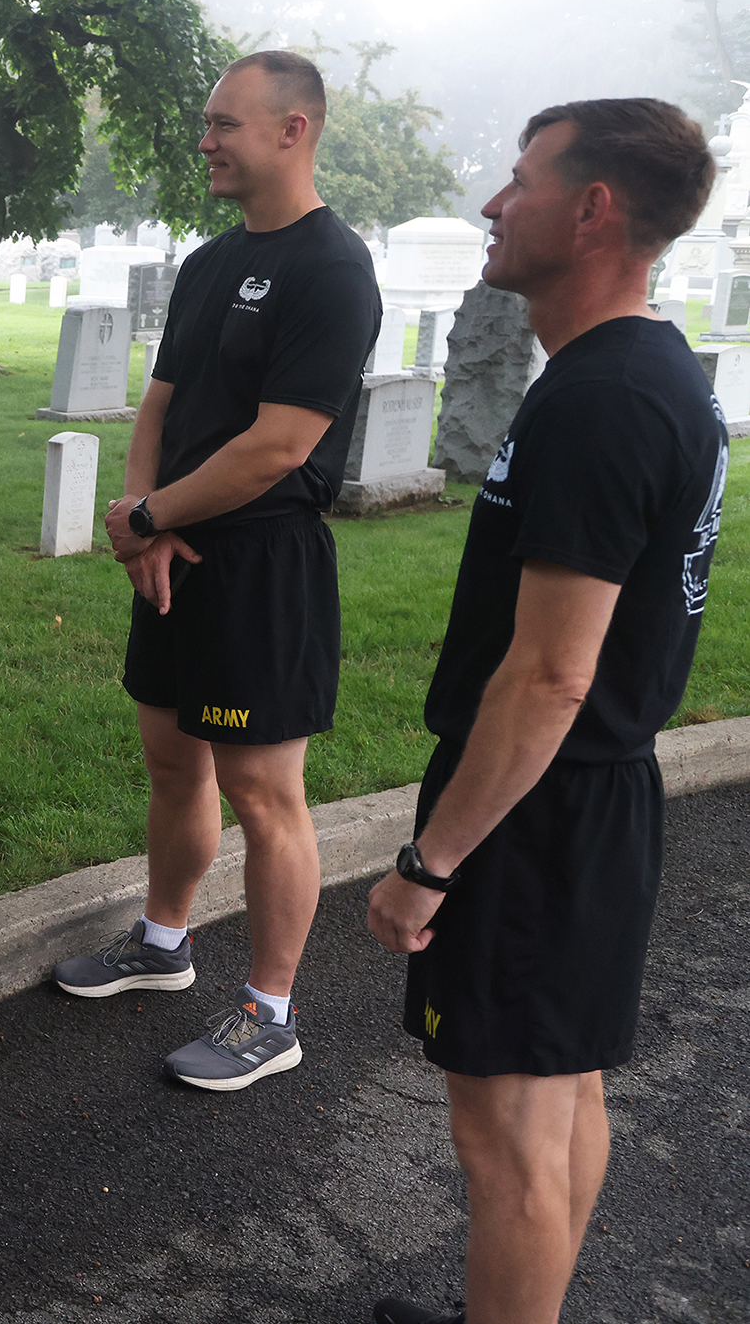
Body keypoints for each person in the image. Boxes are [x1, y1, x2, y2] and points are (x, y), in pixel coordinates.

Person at [367, 100, 723, 1324]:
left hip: (539, 810)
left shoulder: (604, 398)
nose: (490, 204)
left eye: (518, 180)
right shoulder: (641, 372)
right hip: (590, 799)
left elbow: (550, 675)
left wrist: (432, 860)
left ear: (592, 210)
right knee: (562, 1100)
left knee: (508, 1139)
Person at [49, 51, 380, 1090]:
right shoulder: (206, 263)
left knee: (262, 787)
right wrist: (144, 525)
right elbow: (161, 402)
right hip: (175, 552)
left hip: (259, 563)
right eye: (207, 122)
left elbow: (280, 443)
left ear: (294, 129)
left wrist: (149, 510)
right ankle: (163, 941)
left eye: (224, 123)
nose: (206, 140)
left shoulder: (333, 268)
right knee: (170, 759)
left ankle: (271, 1011)